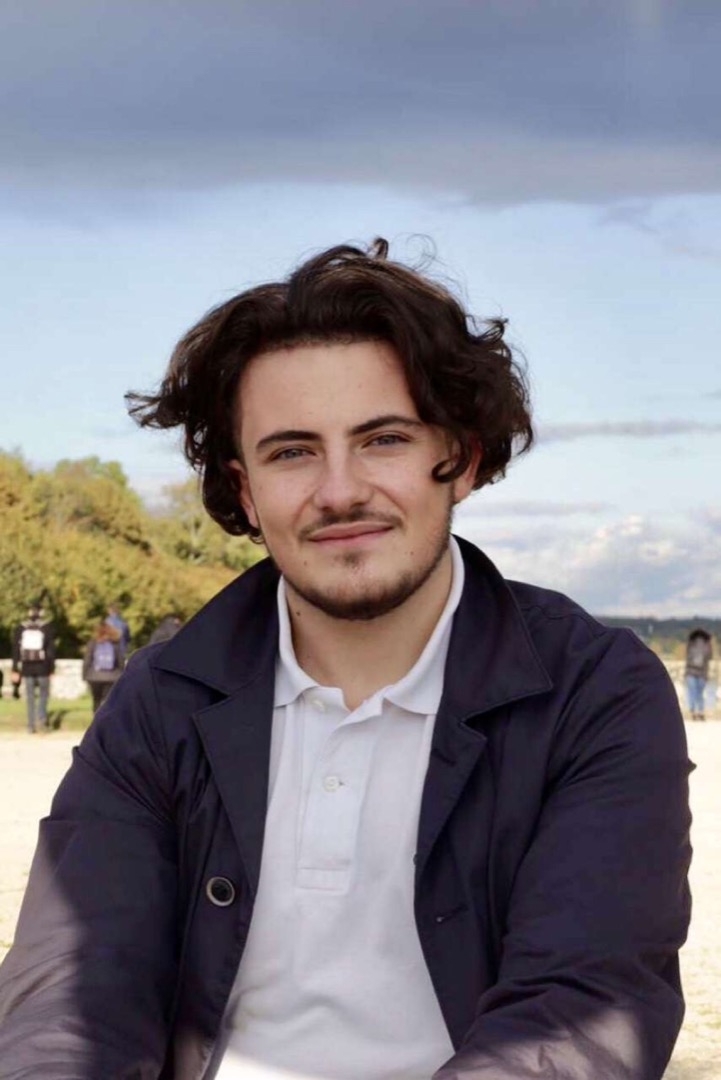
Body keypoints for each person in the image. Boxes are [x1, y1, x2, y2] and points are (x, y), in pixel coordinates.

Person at [0, 240, 692, 1080]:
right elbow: (71, 993)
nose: (338, 491)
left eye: (383, 439)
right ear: (246, 490)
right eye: (291, 451)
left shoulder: (594, 692)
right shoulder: (162, 699)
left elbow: (581, 1010)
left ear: (462, 459)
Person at [10, 603, 55, 733]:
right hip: (43, 667)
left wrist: (15, 669)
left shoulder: (21, 628)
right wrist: (52, 669)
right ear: (41, 612)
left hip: (27, 667)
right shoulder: (46, 628)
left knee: (30, 696)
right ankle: (42, 719)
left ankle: (31, 725)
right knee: (43, 695)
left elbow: (16, 650)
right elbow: (51, 650)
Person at [82, 620, 125, 715]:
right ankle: (107, 720)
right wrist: (122, 675)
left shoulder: (93, 642)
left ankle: (96, 718)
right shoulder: (115, 643)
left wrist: (84, 675)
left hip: (94, 676)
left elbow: (87, 660)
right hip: (112, 677)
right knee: (108, 701)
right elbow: (120, 661)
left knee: (96, 700)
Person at [684, 627, 713, 721]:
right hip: (702, 672)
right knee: (699, 693)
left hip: (691, 671)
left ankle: (693, 711)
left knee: (692, 692)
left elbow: (687, 655)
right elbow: (709, 656)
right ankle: (700, 711)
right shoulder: (707, 644)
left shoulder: (691, 642)